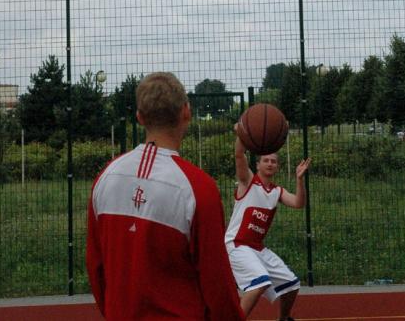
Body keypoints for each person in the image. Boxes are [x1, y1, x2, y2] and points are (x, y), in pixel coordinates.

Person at [86, 72, 245, 321]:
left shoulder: (105, 178)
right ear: (186, 112)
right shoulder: (199, 188)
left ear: (139, 117)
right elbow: (217, 282)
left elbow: (96, 267)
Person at [225, 129, 311, 320]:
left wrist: (299, 180)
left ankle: (283, 319)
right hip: (237, 244)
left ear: (277, 166)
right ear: (257, 165)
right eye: (266, 160)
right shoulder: (248, 182)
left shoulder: (276, 191)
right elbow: (239, 154)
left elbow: (298, 203)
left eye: (273, 161)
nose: (270, 163)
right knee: (260, 282)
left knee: (291, 284)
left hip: (257, 248)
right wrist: (242, 135)